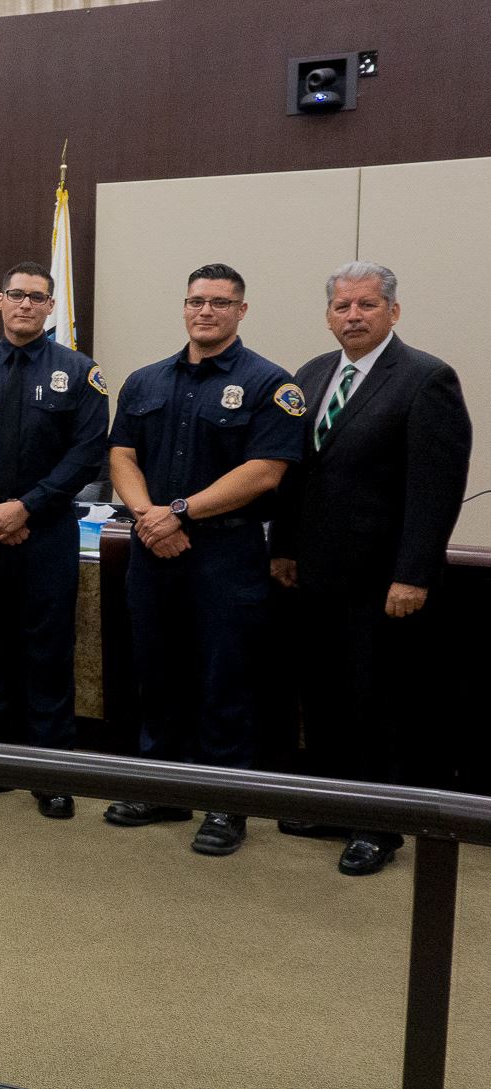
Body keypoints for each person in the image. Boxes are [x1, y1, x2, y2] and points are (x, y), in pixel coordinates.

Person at [269, 261, 472, 876]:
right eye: (342, 307)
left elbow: (435, 490)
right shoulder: (311, 374)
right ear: (328, 314)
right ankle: (334, 806)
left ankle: (378, 826)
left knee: (378, 703)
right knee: (325, 696)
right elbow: (295, 473)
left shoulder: (426, 378)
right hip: (315, 577)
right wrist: (283, 545)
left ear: (393, 312)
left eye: (366, 305)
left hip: (385, 584)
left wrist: (413, 573)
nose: (353, 316)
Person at [99, 263, 308, 855]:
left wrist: (180, 512)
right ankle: (161, 788)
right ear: (184, 307)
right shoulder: (145, 381)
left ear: (242, 311)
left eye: (220, 302)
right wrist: (149, 516)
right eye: (196, 301)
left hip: (227, 552)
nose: (205, 311)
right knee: (156, 671)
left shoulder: (271, 383)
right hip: (152, 547)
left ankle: (226, 804)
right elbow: (120, 457)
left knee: (226, 678)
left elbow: (265, 471)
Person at [0, 261, 108, 820]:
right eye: (17, 295)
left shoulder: (80, 372)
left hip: (47, 531)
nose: (27, 304)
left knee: (47, 650)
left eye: (38, 296)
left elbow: (86, 453)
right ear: (0, 301)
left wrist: (26, 507)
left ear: (51, 306)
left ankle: (49, 771)